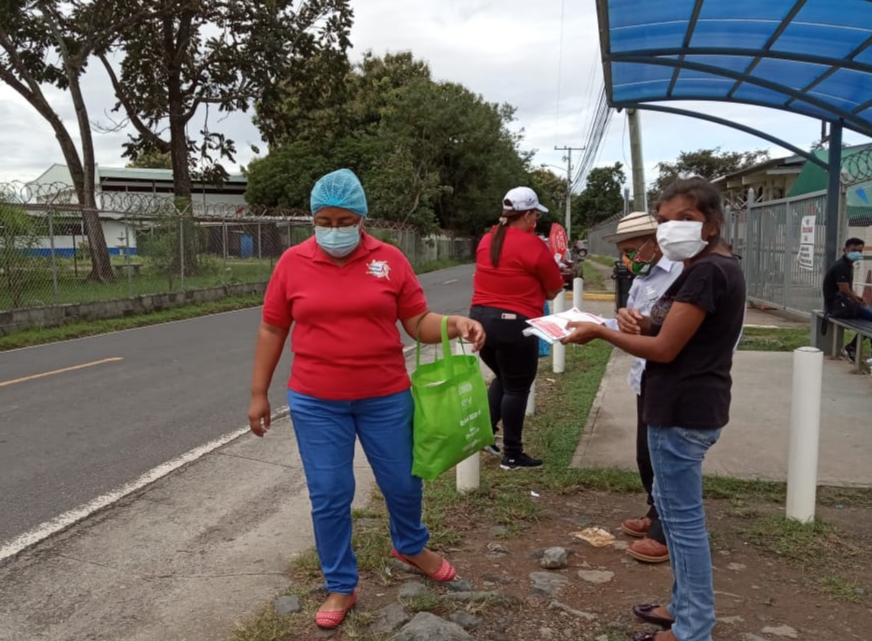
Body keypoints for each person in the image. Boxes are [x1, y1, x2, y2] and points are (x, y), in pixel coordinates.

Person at [248, 169, 485, 630]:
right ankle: (341, 583)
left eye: (344, 221)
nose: (333, 230)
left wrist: (454, 324)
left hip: (385, 397)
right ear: (313, 219)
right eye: (324, 221)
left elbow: (415, 321)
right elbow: (273, 328)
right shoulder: (293, 263)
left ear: (362, 219)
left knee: (403, 483)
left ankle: (410, 545)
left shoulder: (390, 260)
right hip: (317, 401)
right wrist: (259, 393)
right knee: (330, 493)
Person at [564, 178, 746, 641]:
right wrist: (639, 321)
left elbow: (665, 350)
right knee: (674, 513)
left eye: (685, 219)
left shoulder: (707, 271)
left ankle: (692, 629)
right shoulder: (705, 266)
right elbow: (673, 331)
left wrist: (601, 332)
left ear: (711, 224)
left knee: (682, 527)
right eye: (664, 220)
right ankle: (683, 609)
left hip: (683, 408)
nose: (671, 229)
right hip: (686, 403)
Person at [602, 212, 683, 565]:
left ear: (655, 241)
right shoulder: (643, 278)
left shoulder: (682, 274)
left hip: (673, 378)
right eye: (622, 253)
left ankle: (667, 529)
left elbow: (668, 332)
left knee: (667, 456)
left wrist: (603, 331)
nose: (627, 260)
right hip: (645, 375)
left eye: (631, 250)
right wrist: (606, 323)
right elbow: (631, 324)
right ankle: (655, 509)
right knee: (646, 454)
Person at [470, 187, 564, 470]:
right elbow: (554, 288)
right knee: (518, 387)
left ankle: (486, 434)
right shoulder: (533, 245)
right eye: (536, 215)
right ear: (528, 215)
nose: (536, 220)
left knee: (504, 377)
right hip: (514, 326)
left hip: (480, 322)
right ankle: (512, 454)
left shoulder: (488, 240)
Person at [822, 238, 872, 361]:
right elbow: (844, 289)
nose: (857, 253)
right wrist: (857, 301)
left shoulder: (846, 265)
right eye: (854, 250)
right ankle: (851, 348)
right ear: (845, 250)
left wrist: (858, 298)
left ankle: (852, 347)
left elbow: (847, 289)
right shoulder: (842, 266)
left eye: (860, 251)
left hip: (841, 304)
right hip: (837, 307)